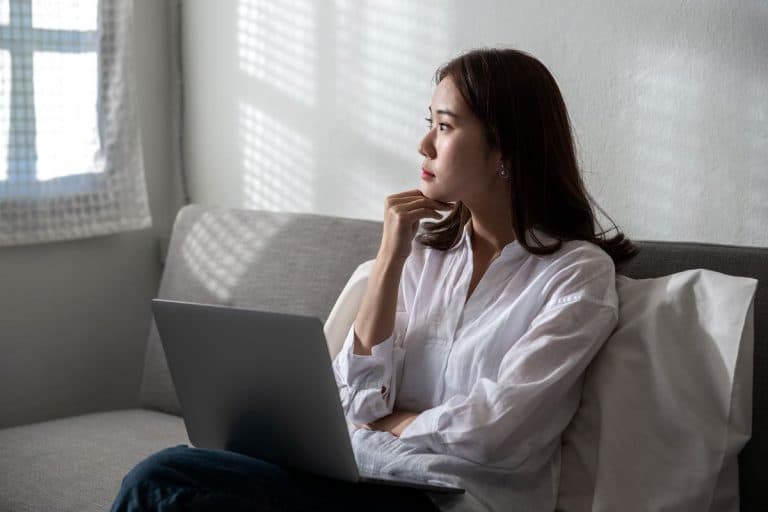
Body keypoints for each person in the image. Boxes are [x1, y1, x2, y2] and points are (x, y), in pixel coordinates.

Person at [110, 47, 637, 512]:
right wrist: (388, 259)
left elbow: (497, 428)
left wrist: (391, 424)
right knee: (174, 469)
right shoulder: (427, 256)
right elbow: (356, 402)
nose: (423, 144)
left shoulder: (575, 274)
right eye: (429, 121)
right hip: (362, 479)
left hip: (450, 499)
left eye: (445, 126)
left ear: (506, 153)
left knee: (166, 483)